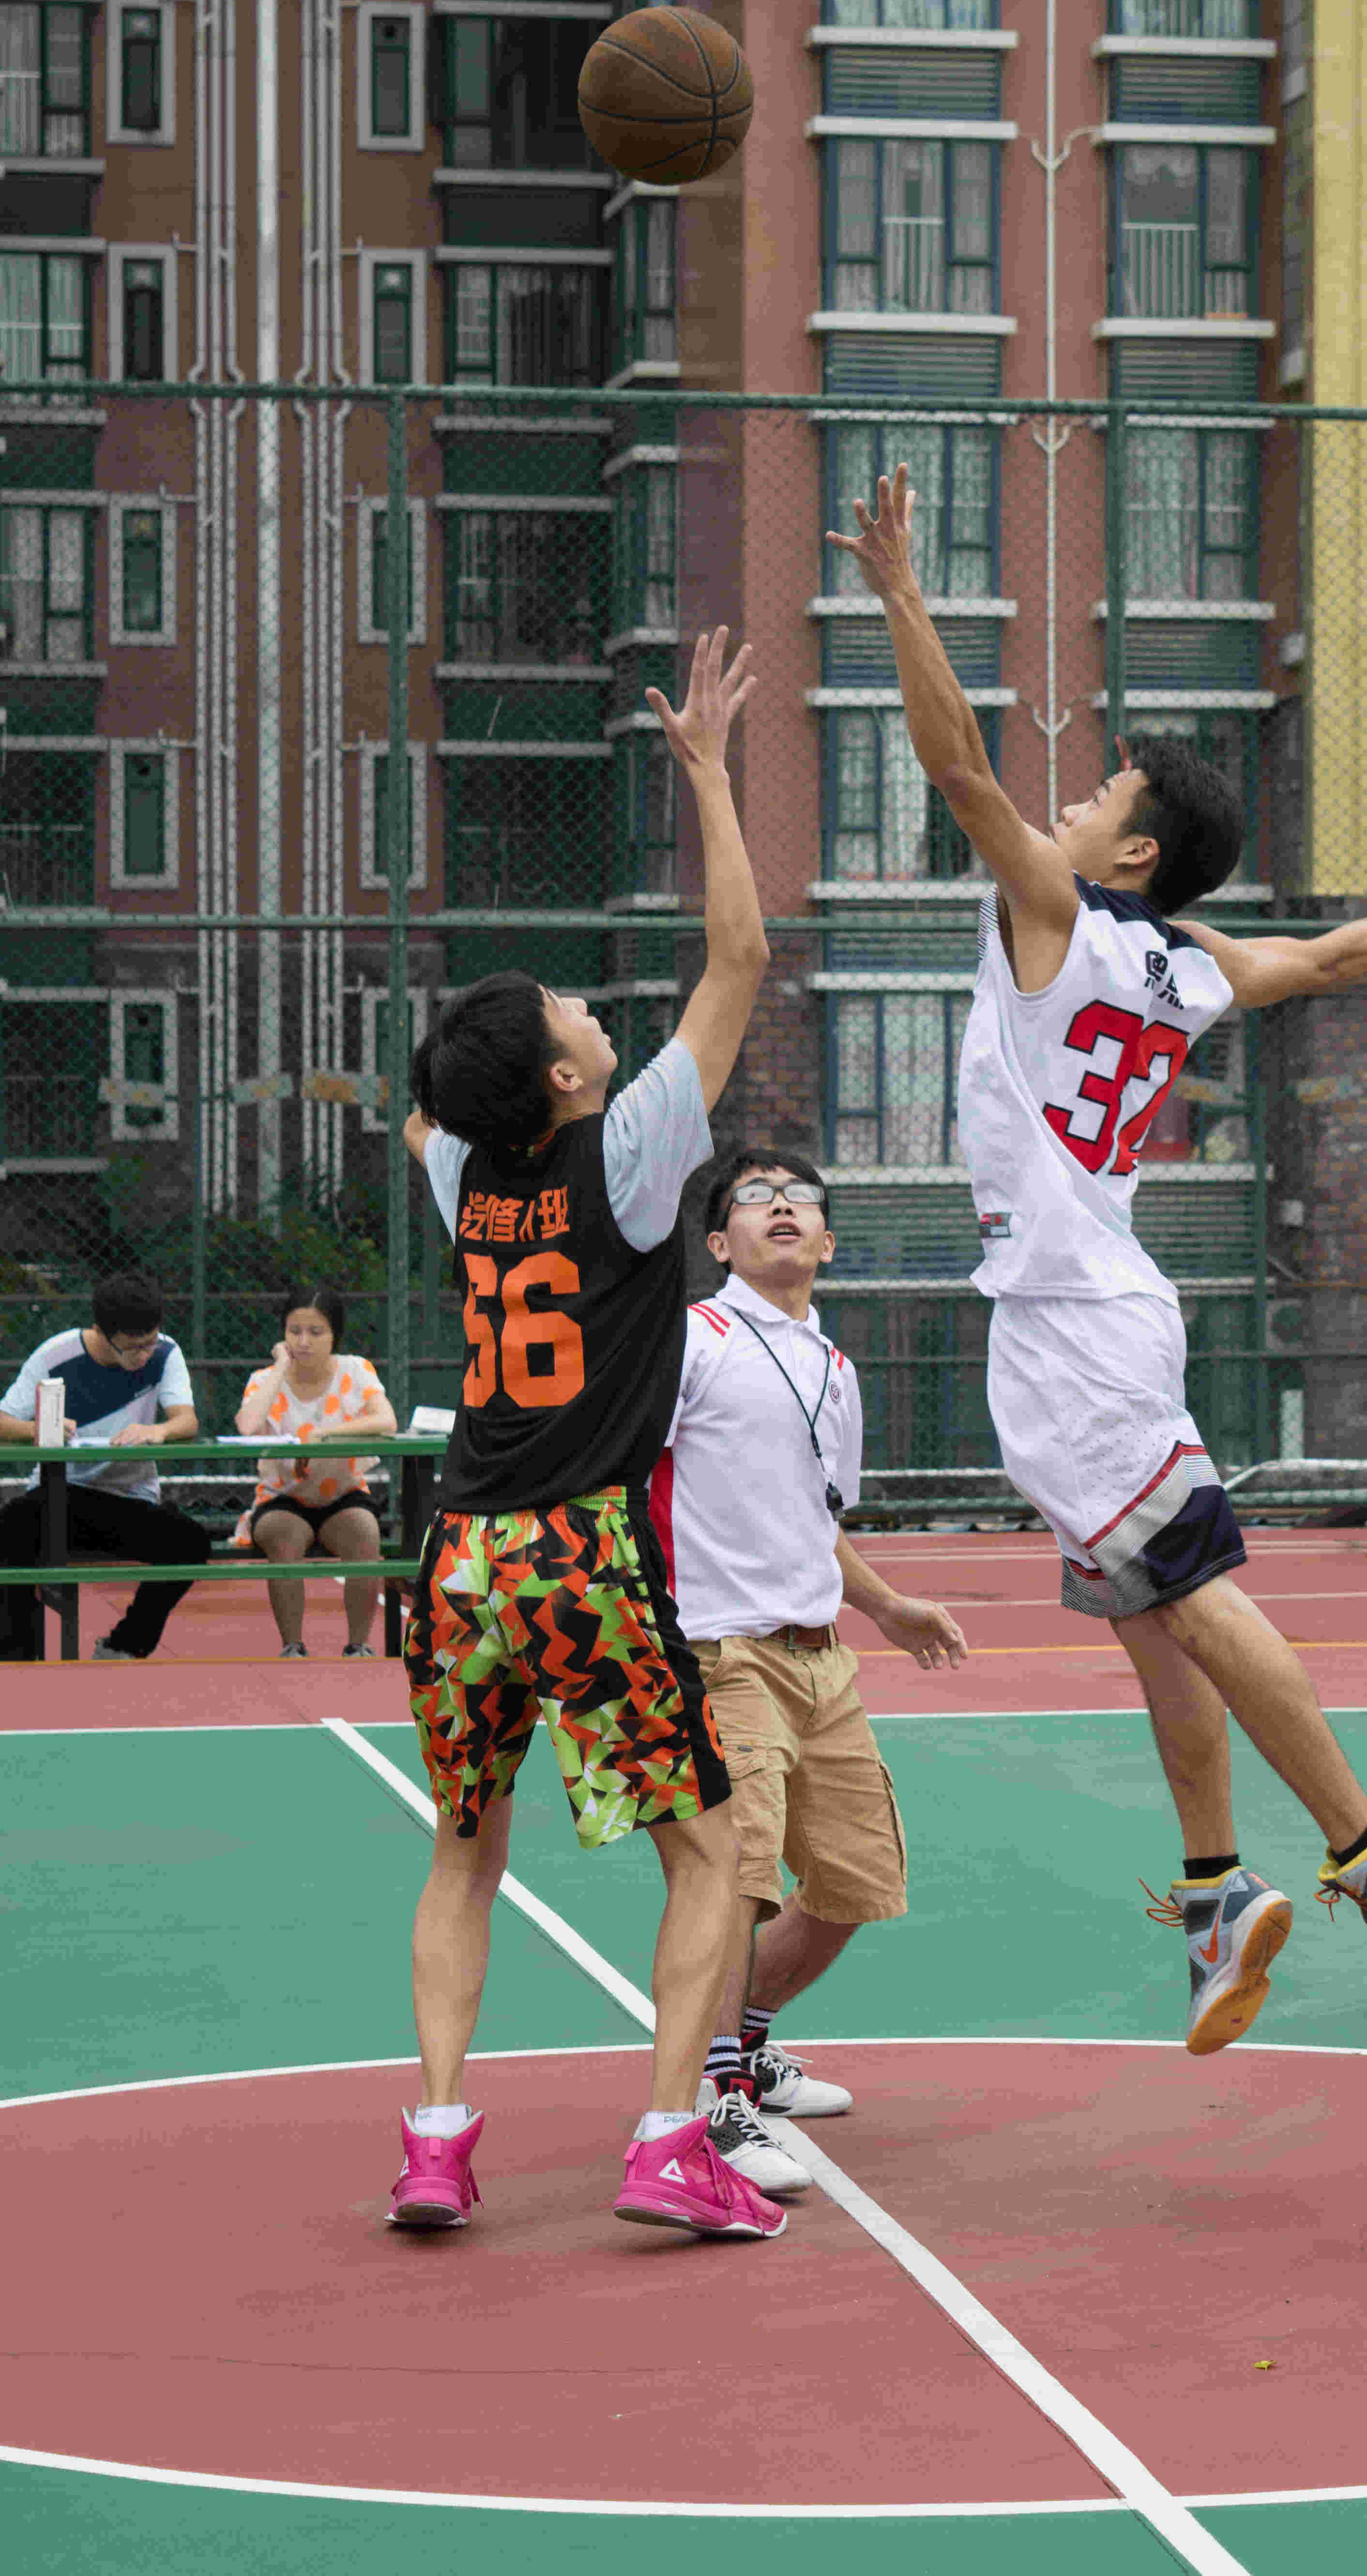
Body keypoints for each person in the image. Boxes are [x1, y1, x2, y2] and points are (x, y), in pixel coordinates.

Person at [829, 465, 1367, 2049]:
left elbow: (956, 766)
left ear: (1124, 857)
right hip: (1089, 1301)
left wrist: (899, 590)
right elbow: (1329, 953)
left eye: (1097, 795)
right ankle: (1214, 1885)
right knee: (1150, 1615)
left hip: (1074, 1320)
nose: (1066, 801)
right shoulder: (1182, 962)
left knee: (1190, 1593)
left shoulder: (1057, 918)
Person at [395, 624, 786, 2243]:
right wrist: (707, 772)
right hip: (577, 1549)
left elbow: (429, 1106)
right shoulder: (622, 1153)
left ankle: (435, 2138)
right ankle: (667, 2138)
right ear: (563, 1072)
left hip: (456, 1556)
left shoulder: (459, 1169)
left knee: (462, 1854)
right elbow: (739, 958)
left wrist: (471, 1063)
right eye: (570, 1007)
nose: (590, 1006)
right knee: (710, 1851)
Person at [650, 1147, 968, 2199]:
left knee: (852, 1881)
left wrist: (884, 1605)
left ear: (828, 1241)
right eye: (755, 1198)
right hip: (722, 1652)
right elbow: (626, 1475)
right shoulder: (692, 1340)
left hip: (822, 1659)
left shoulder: (834, 1369)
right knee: (733, 1884)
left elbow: (814, 1516)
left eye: (800, 1199)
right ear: (718, 1240)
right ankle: (713, 2096)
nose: (780, 1207)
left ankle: (744, 2045)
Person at [0, 1270, 210, 1662]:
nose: (143, 1356)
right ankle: (17, 1656)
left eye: (149, 1343)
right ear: (101, 1332)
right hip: (61, 1496)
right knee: (12, 1528)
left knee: (191, 1542)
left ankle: (123, 1645)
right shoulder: (55, 1355)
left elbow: (187, 1420)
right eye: (133, 1348)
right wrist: (41, 1428)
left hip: (129, 1500)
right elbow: (3, 1420)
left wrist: (158, 1431)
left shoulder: (166, 1351)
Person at [232, 1285, 397, 1660]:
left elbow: (386, 1420)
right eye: (294, 1331)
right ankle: (293, 1647)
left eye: (316, 1332)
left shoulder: (356, 1370)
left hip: (342, 1494)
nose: (303, 1341)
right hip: (282, 1497)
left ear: (335, 1335)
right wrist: (280, 1366)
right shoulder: (264, 1379)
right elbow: (247, 1425)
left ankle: (358, 1646)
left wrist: (325, 1434)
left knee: (366, 1532)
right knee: (284, 1536)